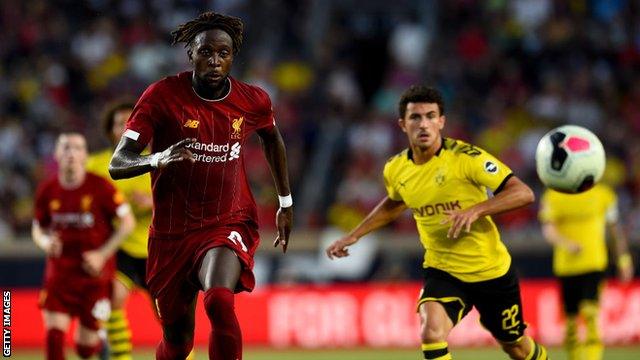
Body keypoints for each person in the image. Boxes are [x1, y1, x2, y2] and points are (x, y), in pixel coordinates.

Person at [109, 11, 293, 360]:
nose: (214, 61)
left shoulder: (252, 100)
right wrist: (157, 159)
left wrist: (285, 202)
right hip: (170, 234)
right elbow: (118, 162)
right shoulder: (161, 96)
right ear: (190, 54)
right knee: (178, 343)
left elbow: (273, 139)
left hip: (226, 221)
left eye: (223, 53)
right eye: (206, 52)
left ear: (232, 57)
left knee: (220, 300)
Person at [326, 86, 548, 360]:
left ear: (442, 121)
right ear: (402, 124)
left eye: (431, 116)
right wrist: (355, 235)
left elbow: (523, 193)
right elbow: (395, 202)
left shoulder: (467, 158)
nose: (423, 124)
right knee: (431, 332)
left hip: (490, 271)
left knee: (515, 346)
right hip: (442, 270)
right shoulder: (395, 169)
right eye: (415, 117)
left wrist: (476, 210)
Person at [33, 133, 135, 360]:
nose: (71, 152)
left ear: (84, 155)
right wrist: (45, 242)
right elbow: (38, 228)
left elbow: (128, 223)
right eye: (66, 147)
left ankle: (99, 342)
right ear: (57, 155)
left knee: (85, 350)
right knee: (54, 338)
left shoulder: (101, 188)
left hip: (95, 279)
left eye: (77, 148)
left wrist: (102, 254)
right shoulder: (47, 190)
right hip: (60, 276)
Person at [86, 101, 155, 360]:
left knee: (168, 315)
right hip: (119, 247)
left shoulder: (157, 161)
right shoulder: (95, 165)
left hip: (154, 248)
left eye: (131, 123)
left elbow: (185, 204)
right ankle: (121, 357)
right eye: (119, 124)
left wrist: (153, 203)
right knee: (114, 297)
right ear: (110, 129)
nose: (125, 128)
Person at [539, 183, 634, 360]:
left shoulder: (604, 194)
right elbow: (548, 230)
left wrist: (624, 259)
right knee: (571, 321)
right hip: (566, 266)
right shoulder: (554, 195)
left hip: (594, 263)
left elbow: (615, 230)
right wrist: (566, 244)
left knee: (591, 312)